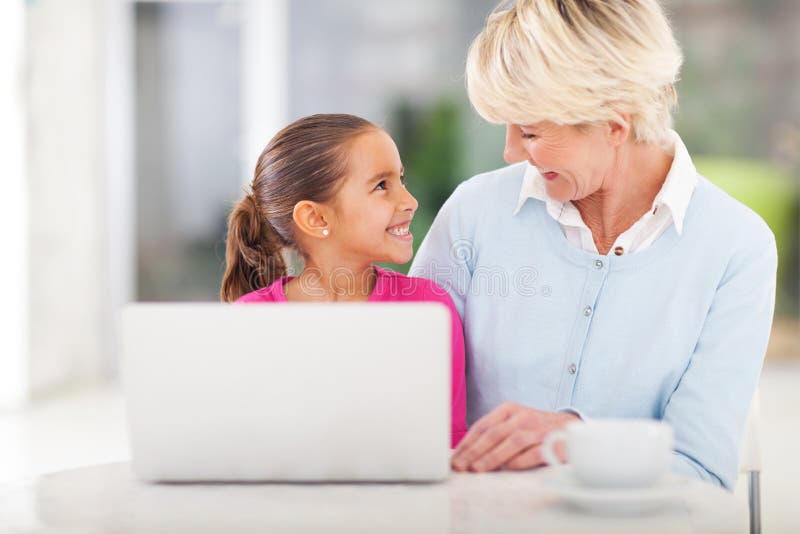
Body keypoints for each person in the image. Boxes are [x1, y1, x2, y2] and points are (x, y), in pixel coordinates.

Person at [409, 0, 776, 489]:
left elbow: (701, 469)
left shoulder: (737, 247)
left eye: (531, 132)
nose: (511, 152)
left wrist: (573, 440)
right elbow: (404, 406)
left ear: (613, 125)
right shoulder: (473, 214)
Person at [220, 114, 467, 448]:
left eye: (401, 180)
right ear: (316, 217)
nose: (410, 202)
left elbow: (449, 441)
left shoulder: (427, 307)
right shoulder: (251, 317)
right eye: (382, 185)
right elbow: (240, 442)